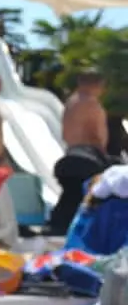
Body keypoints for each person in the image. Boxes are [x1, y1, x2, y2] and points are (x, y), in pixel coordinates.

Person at [49, 69, 114, 234]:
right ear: (97, 85)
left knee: (69, 197)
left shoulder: (71, 103)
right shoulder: (92, 104)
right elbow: (97, 134)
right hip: (87, 158)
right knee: (89, 197)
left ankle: (57, 225)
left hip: (70, 154)